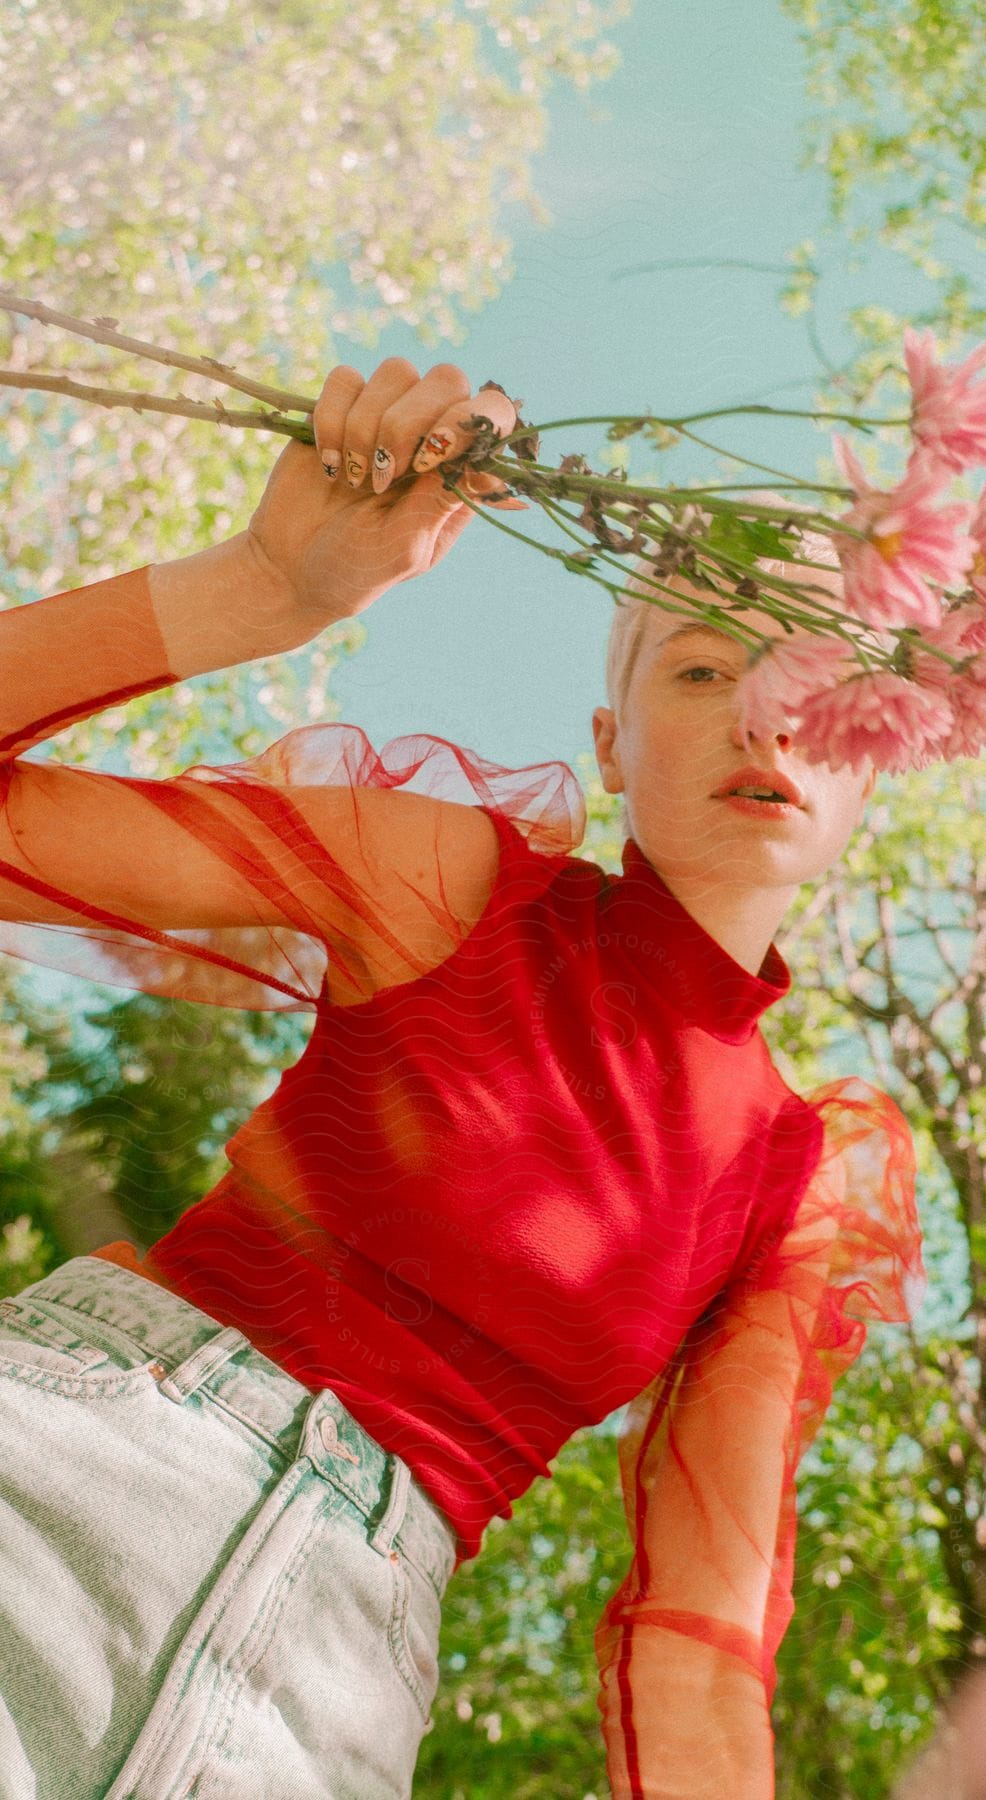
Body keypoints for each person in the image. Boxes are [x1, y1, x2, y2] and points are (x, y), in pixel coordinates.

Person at [0, 358, 927, 1799]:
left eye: (816, 679)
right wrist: (262, 590)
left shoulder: (799, 1184)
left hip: (327, 1703)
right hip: (63, 1470)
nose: (763, 716)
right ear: (613, 746)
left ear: (878, 758)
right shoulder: (452, 884)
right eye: (701, 669)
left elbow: (704, 1640)